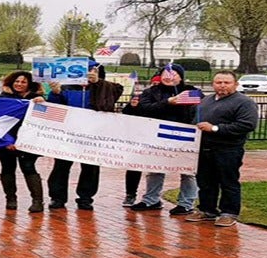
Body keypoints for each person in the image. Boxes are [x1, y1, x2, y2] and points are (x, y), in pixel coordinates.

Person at [46, 61, 123, 211]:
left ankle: (86, 198)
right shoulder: (66, 88)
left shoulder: (105, 88)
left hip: (93, 135)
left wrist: (98, 83)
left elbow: (116, 94)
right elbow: (55, 107)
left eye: (93, 70)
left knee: (90, 168)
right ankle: (57, 197)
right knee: (61, 166)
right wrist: (55, 93)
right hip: (68, 134)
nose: (88, 73)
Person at [186, 70, 258, 227]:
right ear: (213, 84)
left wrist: (215, 128)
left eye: (227, 82)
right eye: (218, 82)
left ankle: (229, 213)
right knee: (205, 182)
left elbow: (247, 124)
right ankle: (207, 210)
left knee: (228, 182)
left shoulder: (244, 102)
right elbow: (194, 119)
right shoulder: (206, 101)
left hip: (228, 149)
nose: (222, 85)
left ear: (235, 84)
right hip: (204, 148)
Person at [130, 64, 202, 215]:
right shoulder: (151, 92)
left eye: (174, 74)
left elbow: (198, 111)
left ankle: (186, 203)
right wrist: (168, 102)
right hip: (158, 136)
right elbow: (144, 109)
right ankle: (151, 200)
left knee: (187, 171)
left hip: (184, 136)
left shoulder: (191, 91)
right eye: (165, 73)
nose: (169, 77)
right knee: (155, 169)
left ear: (181, 77)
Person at [0, 71, 45, 212]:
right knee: (7, 168)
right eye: (17, 81)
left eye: (23, 82)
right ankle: (11, 199)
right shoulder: (3, 99)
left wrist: (43, 102)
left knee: (28, 167)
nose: (19, 84)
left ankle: (37, 201)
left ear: (29, 84)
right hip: (6, 139)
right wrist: (8, 141)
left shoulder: (36, 98)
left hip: (28, 140)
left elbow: (43, 118)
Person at [121, 73, 161, 207]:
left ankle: (153, 197)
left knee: (156, 169)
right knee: (134, 167)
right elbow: (126, 114)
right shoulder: (143, 96)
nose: (156, 86)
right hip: (140, 136)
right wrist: (133, 106)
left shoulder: (166, 98)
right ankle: (130, 194)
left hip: (157, 137)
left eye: (158, 84)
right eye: (154, 84)